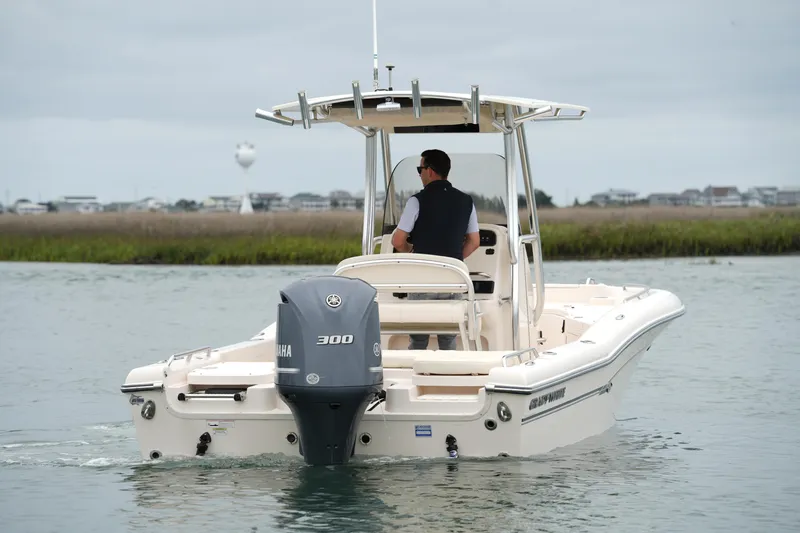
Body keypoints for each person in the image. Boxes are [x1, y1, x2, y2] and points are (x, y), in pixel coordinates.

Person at [391, 149, 480, 350]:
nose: (419, 174)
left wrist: (411, 252)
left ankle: (417, 375)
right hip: (453, 279)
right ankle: (447, 375)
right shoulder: (466, 201)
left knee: (419, 339)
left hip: (423, 279)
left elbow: (397, 240)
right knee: (448, 339)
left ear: (430, 171)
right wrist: (454, 261)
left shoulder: (417, 201)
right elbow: (474, 241)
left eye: (420, 169)